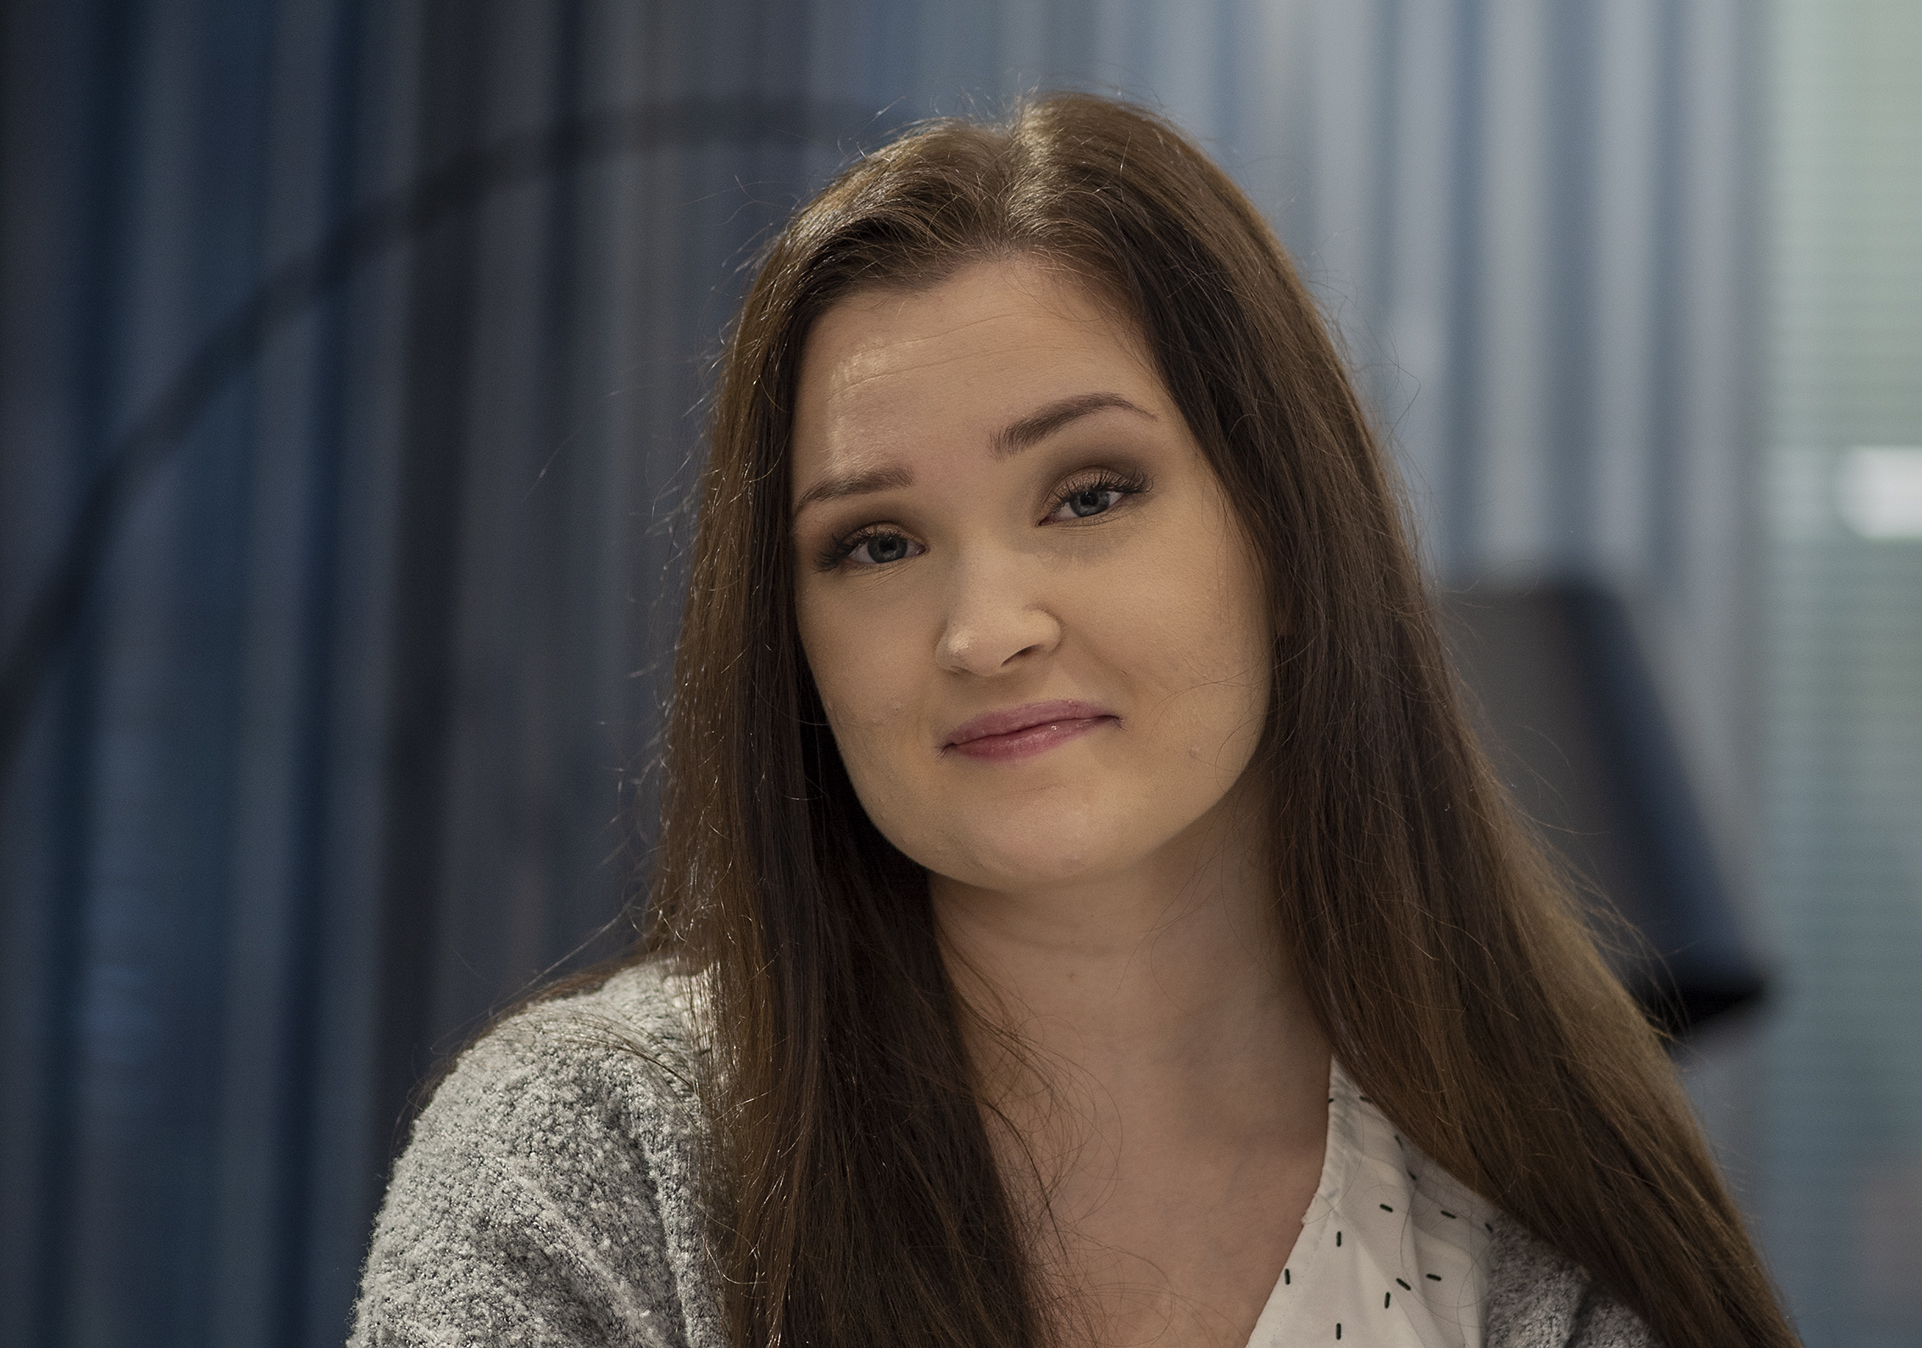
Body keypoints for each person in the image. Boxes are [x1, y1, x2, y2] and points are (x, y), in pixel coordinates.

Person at [348, 93, 1798, 1348]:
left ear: (1291, 544)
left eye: (1089, 495)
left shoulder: (1543, 1198)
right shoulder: (589, 1155)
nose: (985, 630)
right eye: (875, 544)